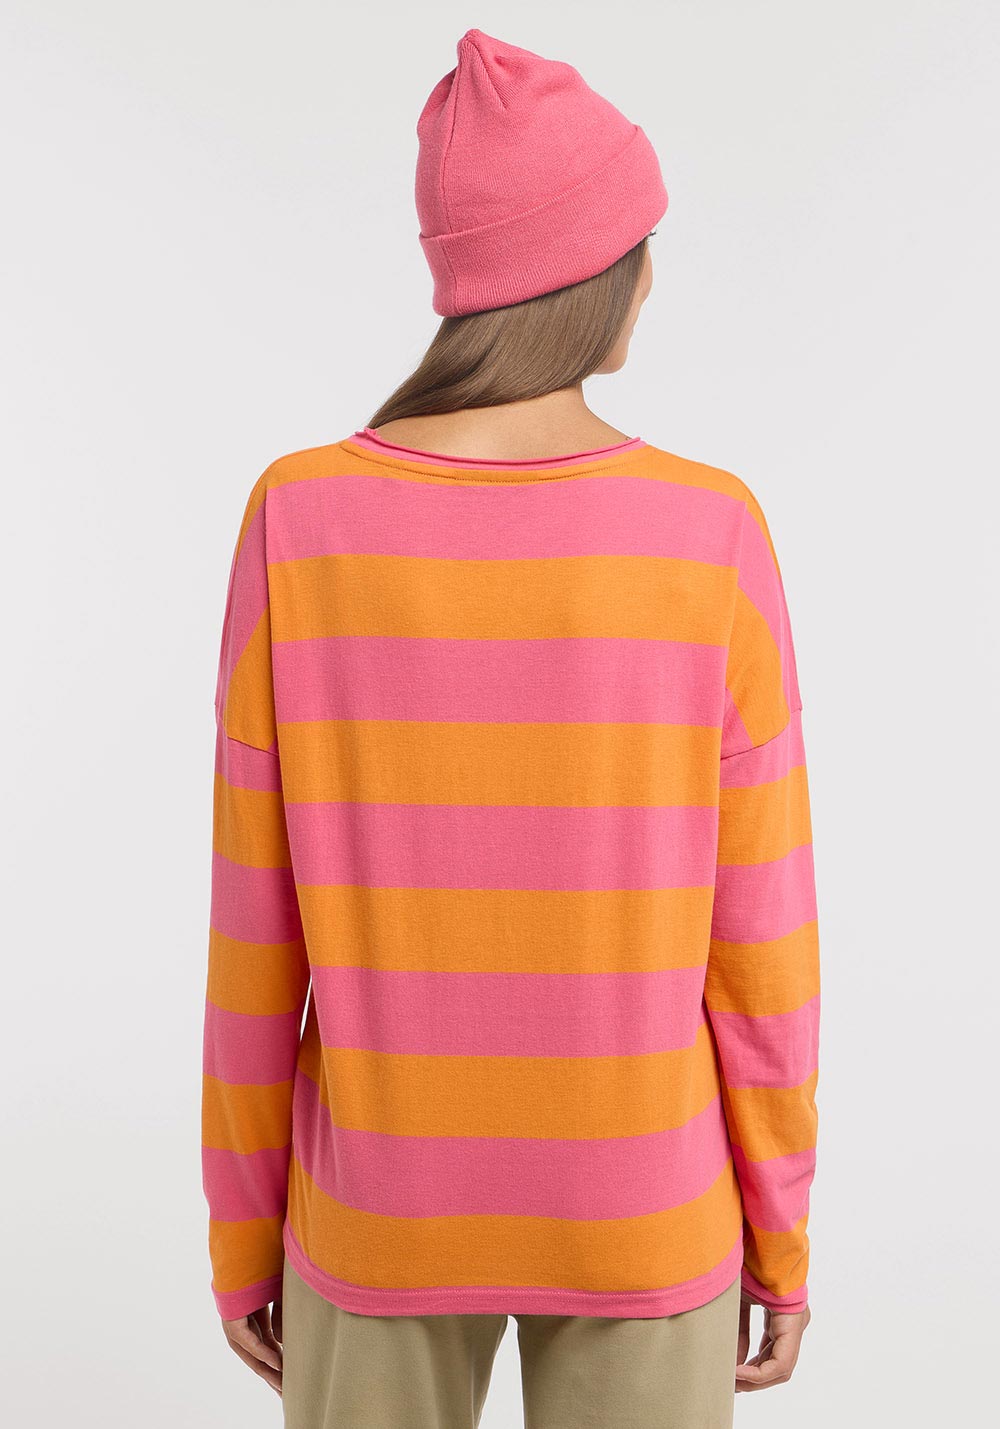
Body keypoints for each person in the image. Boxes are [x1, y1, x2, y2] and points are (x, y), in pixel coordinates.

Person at [201, 27, 820, 1429]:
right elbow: (763, 944)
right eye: (644, 246)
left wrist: (244, 1227)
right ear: (600, 268)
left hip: (379, 1208)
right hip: (647, 1208)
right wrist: (780, 1230)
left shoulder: (302, 519)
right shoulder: (709, 531)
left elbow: (253, 926)